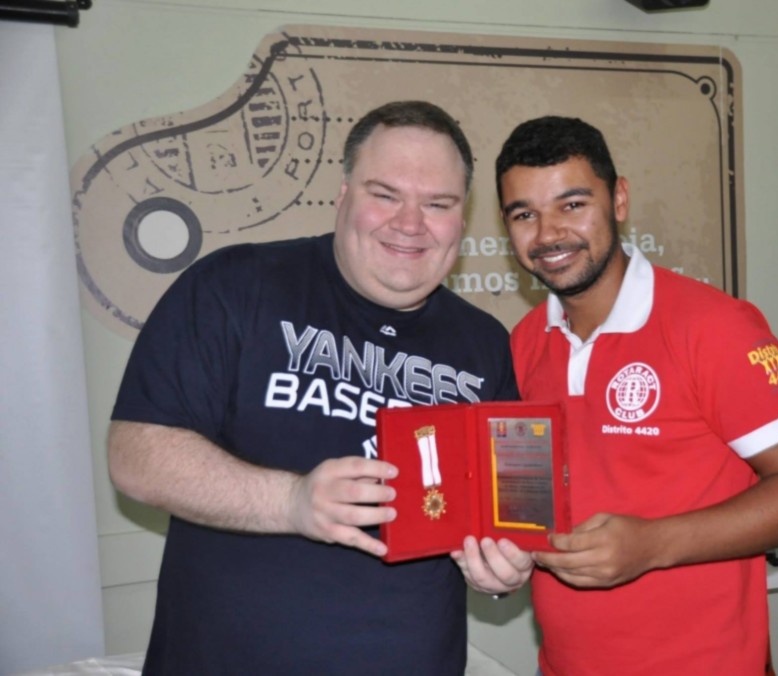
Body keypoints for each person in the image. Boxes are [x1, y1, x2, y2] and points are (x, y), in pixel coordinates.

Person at [107, 100, 519, 675]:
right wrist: (292, 502)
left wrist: (499, 568)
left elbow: (502, 519)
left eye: (438, 204)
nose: (410, 223)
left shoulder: (486, 343)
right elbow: (135, 456)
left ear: (463, 218)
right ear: (343, 194)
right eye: (385, 194)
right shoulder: (236, 286)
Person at [455, 116, 778, 674]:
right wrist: (500, 565)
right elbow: (525, 508)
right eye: (524, 215)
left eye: (572, 205)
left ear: (619, 200)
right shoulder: (525, 343)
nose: (548, 234)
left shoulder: (713, 326)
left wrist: (652, 545)